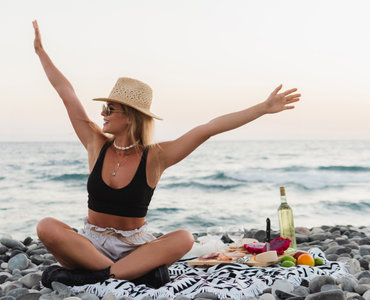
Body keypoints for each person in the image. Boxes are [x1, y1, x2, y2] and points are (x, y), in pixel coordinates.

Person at [32, 20, 301, 289]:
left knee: (184, 238)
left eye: (109, 109)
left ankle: (96, 275)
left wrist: (263, 108)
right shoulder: (95, 143)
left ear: (130, 116)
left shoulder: (156, 157)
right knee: (46, 226)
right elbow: (65, 92)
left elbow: (207, 129)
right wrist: (42, 53)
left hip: (132, 248)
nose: (102, 114)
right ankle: (129, 273)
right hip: (89, 245)